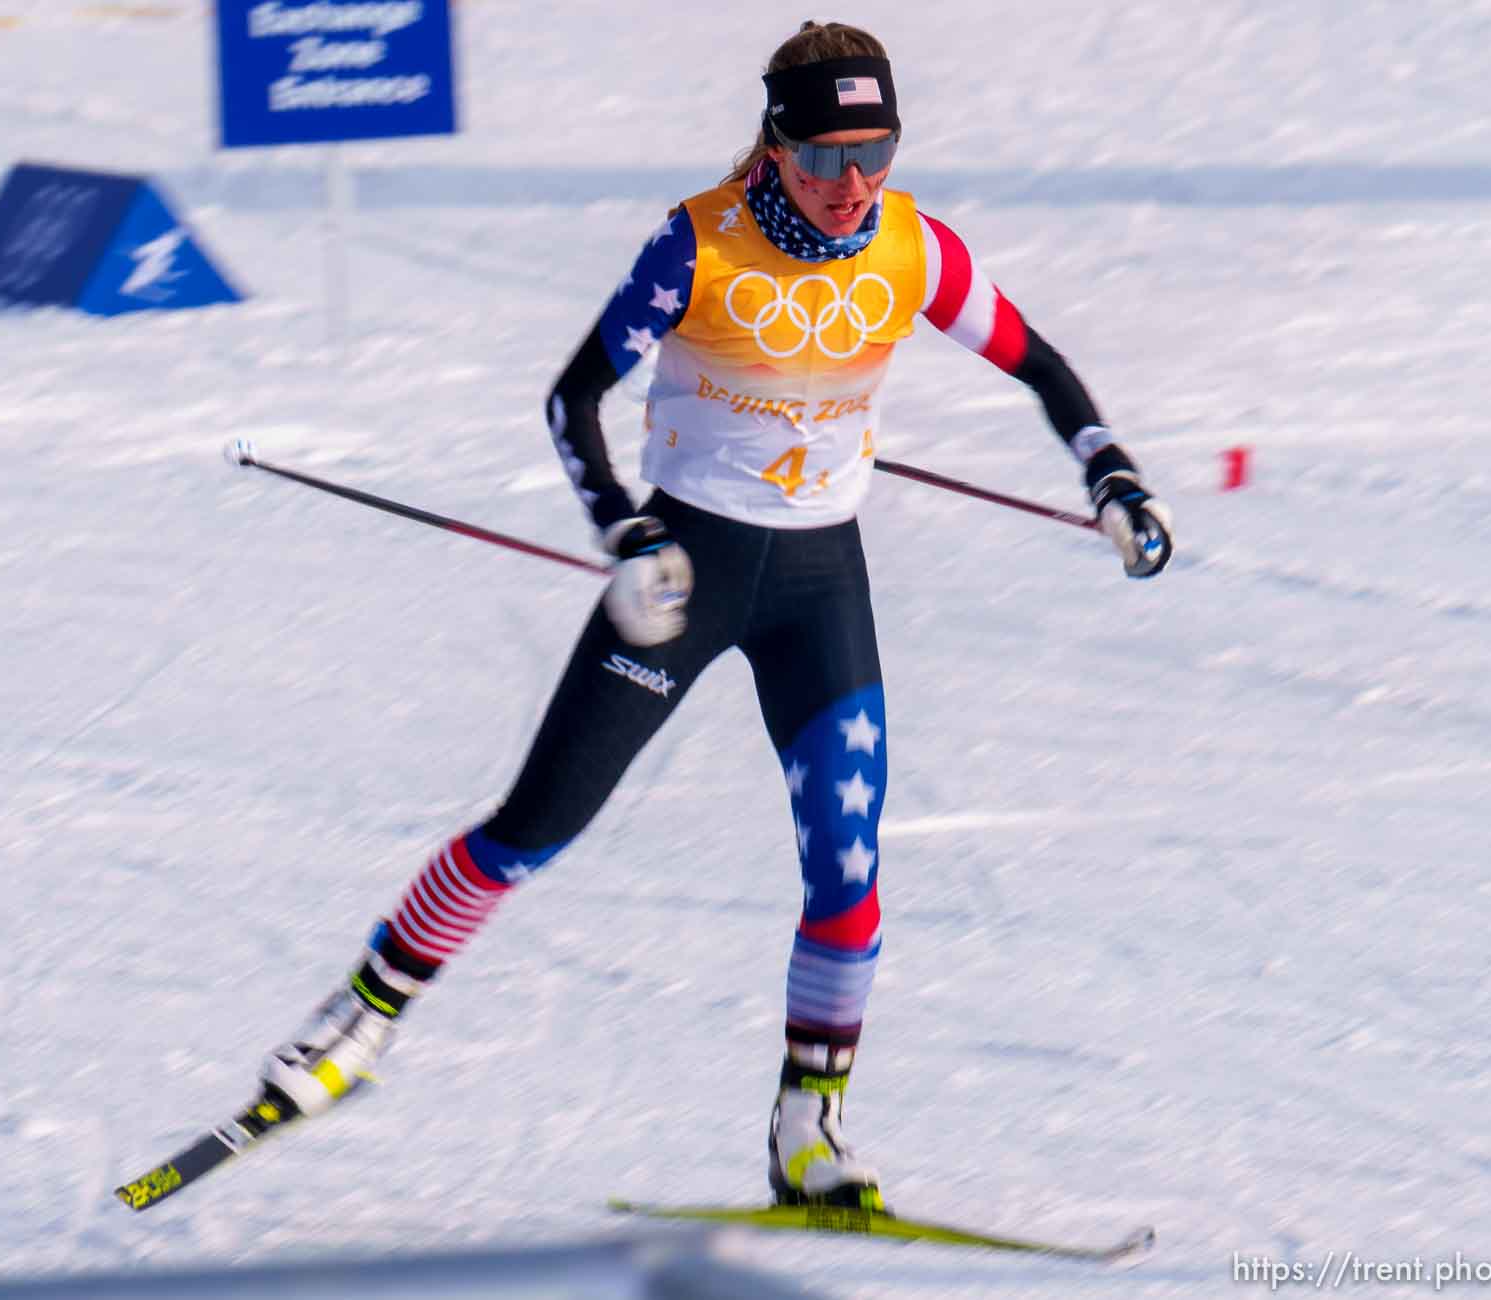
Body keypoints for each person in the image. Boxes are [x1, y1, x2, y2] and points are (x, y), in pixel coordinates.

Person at [259, 20, 1173, 1211]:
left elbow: (1041, 364)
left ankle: (811, 1124)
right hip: (685, 574)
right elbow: (576, 394)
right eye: (825, 158)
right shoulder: (699, 245)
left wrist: (1110, 474)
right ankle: (361, 1014)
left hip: (818, 584)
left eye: (877, 153)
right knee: (537, 823)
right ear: (775, 143)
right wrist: (625, 530)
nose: (852, 186)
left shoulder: (913, 249)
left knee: (849, 872)